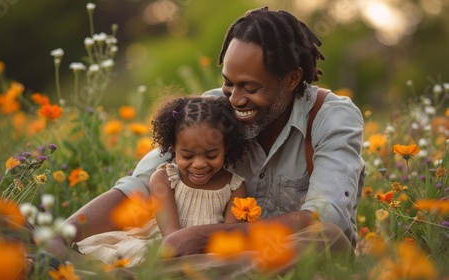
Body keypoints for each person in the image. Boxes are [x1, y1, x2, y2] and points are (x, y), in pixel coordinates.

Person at [46, 6, 365, 273]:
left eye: (251, 88)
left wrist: (208, 235)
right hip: (212, 260)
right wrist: (65, 233)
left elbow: (325, 216)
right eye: (229, 83)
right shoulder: (213, 110)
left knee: (327, 237)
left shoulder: (332, 118)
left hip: (280, 257)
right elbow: (141, 185)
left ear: (292, 79)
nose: (236, 99)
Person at [72, 96, 249, 266]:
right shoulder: (164, 179)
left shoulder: (235, 186)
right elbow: (171, 236)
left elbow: (228, 238)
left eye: (211, 155)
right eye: (187, 155)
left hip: (212, 250)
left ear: (226, 148)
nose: (199, 164)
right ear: (173, 148)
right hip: (167, 244)